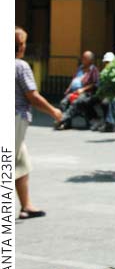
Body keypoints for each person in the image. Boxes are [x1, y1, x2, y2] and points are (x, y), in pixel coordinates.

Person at [15, 27, 63, 219]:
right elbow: (32, 96)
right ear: (20, 46)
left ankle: (26, 205)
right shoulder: (20, 66)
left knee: (21, 162)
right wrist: (54, 111)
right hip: (15, 119)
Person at [55, 51, 100, 130]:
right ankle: (66, 123)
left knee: (77, 101)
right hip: (75, 91)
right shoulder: (80, 68)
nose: (82, 59)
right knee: (63, 102)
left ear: (90, 60)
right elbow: (74, 79)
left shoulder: (94, 70)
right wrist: (69, 88)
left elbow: (95, 83)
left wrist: (83, 89)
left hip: (87, 93)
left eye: (84, 58)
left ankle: (62, 119)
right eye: (82, 57)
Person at [90, 51, 115, 133]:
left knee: (106, 102)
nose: (107, 64)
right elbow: (98, 85)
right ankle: (95, 120)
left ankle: (109, 123)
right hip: (103, 94)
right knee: (87, 101)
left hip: (113, 95)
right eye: (106, 62)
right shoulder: (103, 73)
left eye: (109, 62)